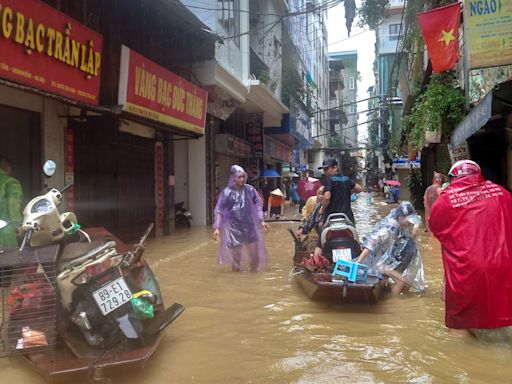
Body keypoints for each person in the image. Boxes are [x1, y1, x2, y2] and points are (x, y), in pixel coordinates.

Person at [429, 160, 512, 342]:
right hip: (505, 265)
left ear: (452, 178)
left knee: (459, 324)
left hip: (467, 269)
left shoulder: (445, 200)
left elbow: (436, 229)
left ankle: (466, 362)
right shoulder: (502, 193)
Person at [356, 201, 424, 295]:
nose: (409, 223)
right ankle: (393, 303)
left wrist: (416, 225)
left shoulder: (399, 225)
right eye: (409, 220)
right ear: (400, 217)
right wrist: (359, 262)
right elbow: (371, 243)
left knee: (408, 282)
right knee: (401, 281)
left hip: (386, 260)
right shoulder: (388, 229)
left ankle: (393, 296)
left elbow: (411, 239)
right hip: (377, 262)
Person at [212, 165, 269, 272]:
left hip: (250, 227)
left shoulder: (249, 190)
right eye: (239, 177)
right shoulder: (226, 193)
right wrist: (217, 227)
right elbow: (220, 210)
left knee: (255, 257)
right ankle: (236, 281)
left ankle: (253, 278)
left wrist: (261, 220)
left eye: (243, 176)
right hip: (234, 229)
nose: (242, 179)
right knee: (236, 261)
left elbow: (258, 204)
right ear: (233, 177)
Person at [312, 158, 363, 259]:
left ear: (335, 168)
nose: (325, 172)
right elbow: (359, 189)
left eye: (327, 169)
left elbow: (327, 197)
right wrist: (347, 189)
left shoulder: (329, 180)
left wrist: (322, 210)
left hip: (330, 220)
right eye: (324, 169)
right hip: (347, 218)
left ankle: (317, 265)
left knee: (320, 244)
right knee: (356, 241)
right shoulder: (347, 179)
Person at [0, 156, 23, 249]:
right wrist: (17, 224)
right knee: (9, 260)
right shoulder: (11, 182)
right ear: (8, 168)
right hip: (5, 232)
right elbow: (13, 203)